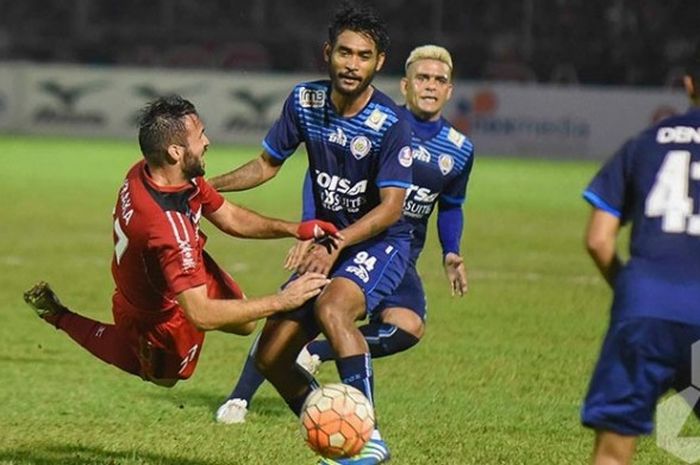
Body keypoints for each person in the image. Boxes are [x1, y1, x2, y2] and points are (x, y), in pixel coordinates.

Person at [216, 45, 474, 429]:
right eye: (423, 77)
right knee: (293, 315)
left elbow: (450, 205)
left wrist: (451, 252)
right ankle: (242, 396)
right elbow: (321, 174)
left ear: (450, 90)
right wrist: (310, 226)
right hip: (342, 237)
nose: (431, 86)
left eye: (439, 80)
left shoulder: (458, 150)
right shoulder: (378, 122)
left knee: (405, 326)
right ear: (405, 84)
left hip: (393, 247)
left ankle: (345, 403)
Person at [208, 5, 411, 464]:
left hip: (377, 244)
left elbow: (392, 207)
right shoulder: (304, 102)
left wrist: (336, 241)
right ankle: (338, 430)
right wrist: (207, 186)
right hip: (328, 242)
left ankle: (368, 438)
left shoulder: (389, 124)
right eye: (344, 52)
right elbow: (265, 165)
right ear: (328, 53)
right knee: (273, 356)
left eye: (363, 55)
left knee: (333, 307)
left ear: (379, 62)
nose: (351, 64)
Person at [22, 95, 338, 388]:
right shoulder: (166, 227)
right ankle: (58, 315)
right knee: (165, 379)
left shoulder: (153, 172)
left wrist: (295, 228)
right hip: (154, 315)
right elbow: (200, 314)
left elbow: (228, 216)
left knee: (245, 324)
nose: (207, 142)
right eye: (200, 135)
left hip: (181, 264)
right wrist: (282, 301)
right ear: (175, 151)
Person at [580, 55, 700, 465]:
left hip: (644, 309)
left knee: (613, 452)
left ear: (688, 84)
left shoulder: (646, 142)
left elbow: (598, 240)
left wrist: (630, 287)